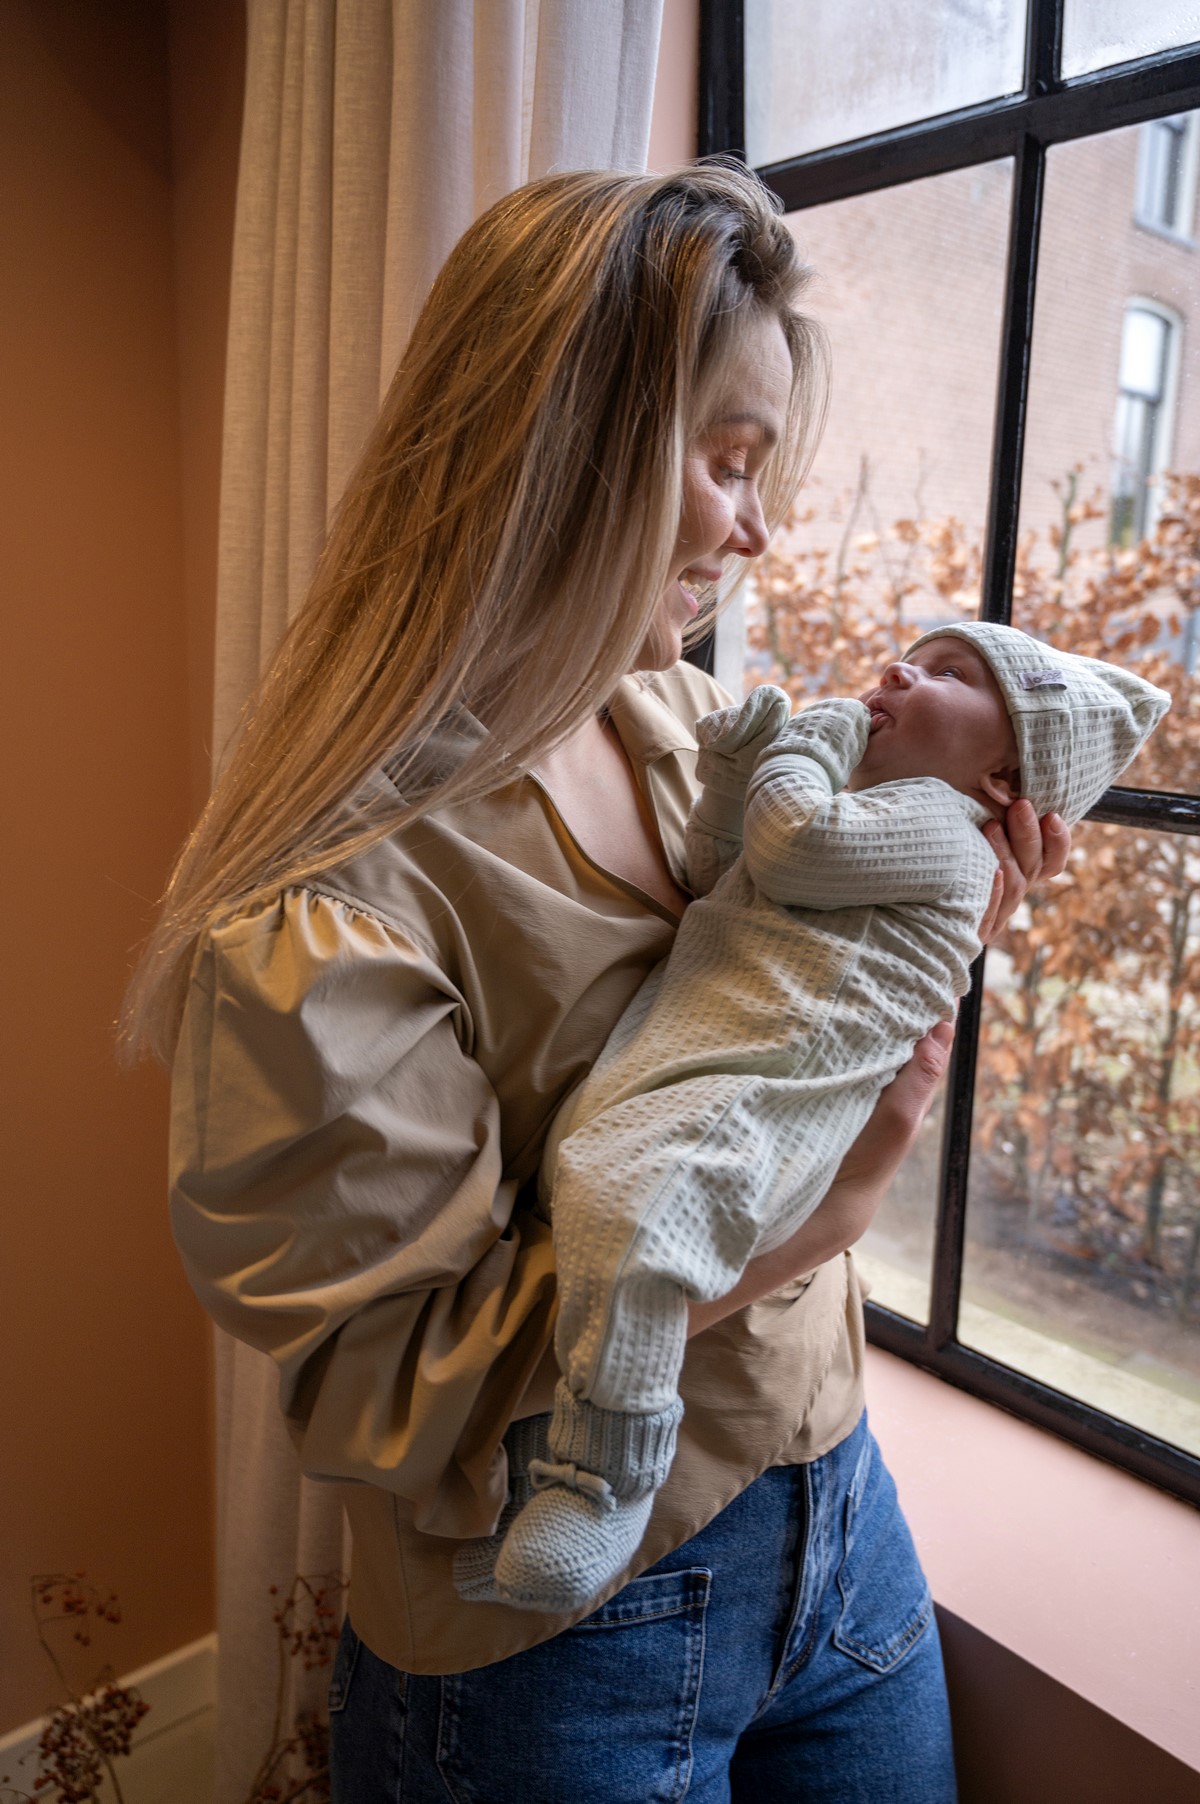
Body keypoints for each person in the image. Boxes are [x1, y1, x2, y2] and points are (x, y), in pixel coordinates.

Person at [123, 162, 1072, 1803]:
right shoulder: (333, 901)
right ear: (568, 453)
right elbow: (392, 1382)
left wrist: (948, 900)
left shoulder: (686, 727)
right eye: (728, 462)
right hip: (557, 1642)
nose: (758, 527)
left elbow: (790, 1028)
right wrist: (828, 1213)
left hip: (836, 1515)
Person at [487, 624, 1169, 1614]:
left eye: (949, 675)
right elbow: (722, 872)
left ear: (1003, 778)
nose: (898, 669)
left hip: (770, 1104)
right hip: (698, 1076)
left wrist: (807, 742)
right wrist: (732, 775)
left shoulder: (942, 831)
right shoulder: (870, 811)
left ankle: (601, 1479)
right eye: (912, 655)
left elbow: (792, 847)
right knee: (599, 1193)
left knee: (641, 1223)